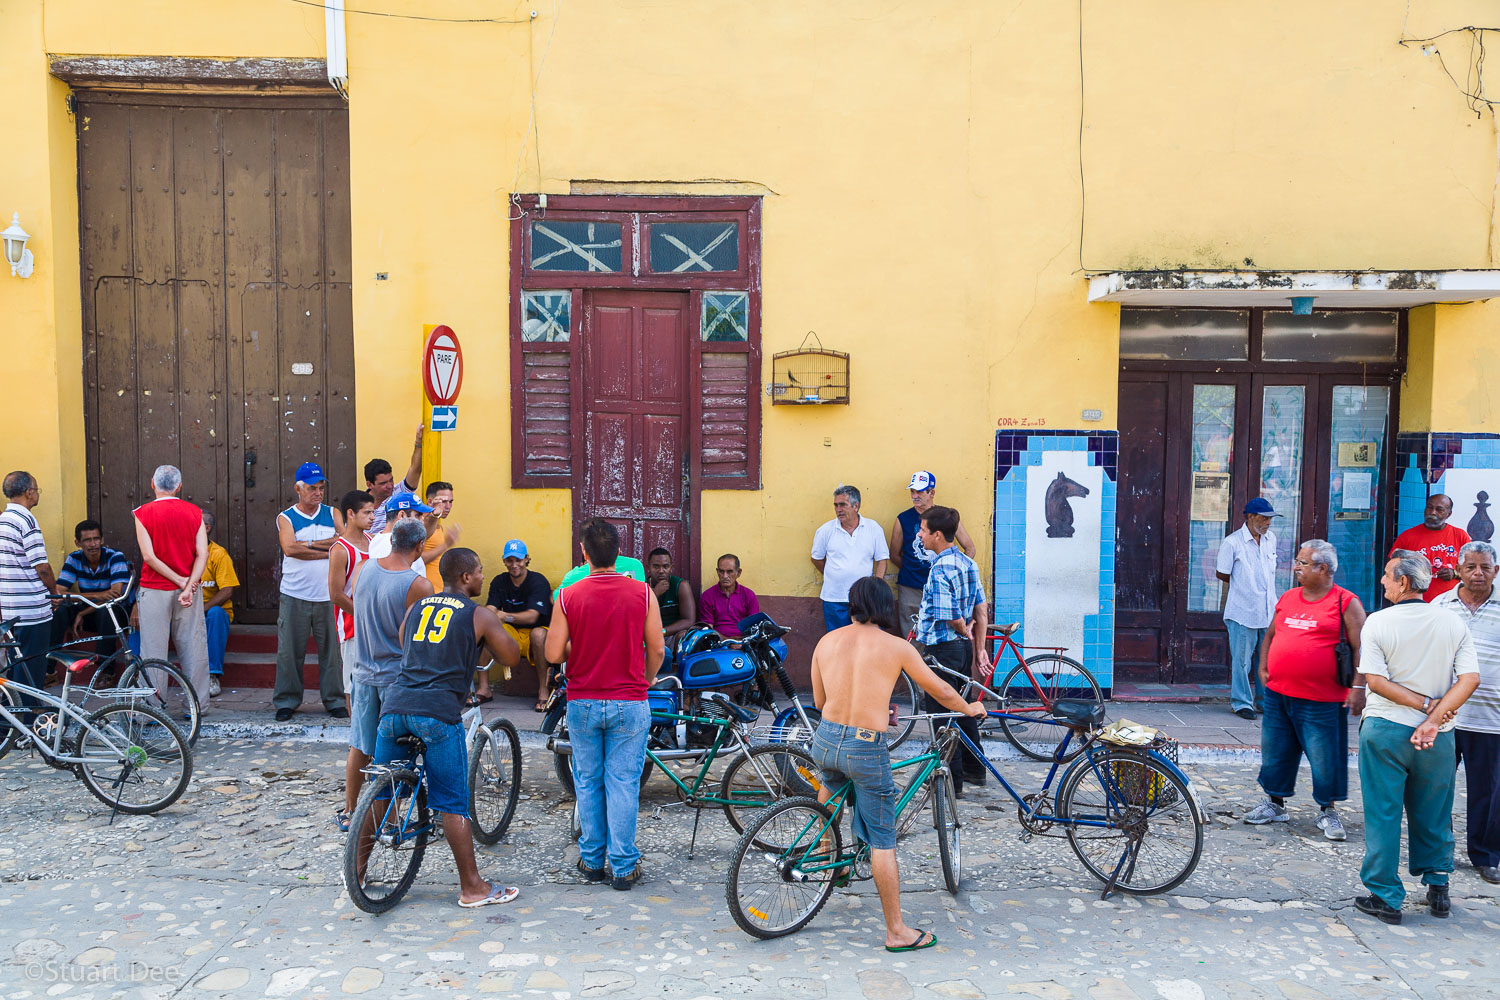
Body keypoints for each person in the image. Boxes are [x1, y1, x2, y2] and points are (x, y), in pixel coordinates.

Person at [808, 576, 986, 952]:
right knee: (882, 840)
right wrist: (969, 707)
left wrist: (871, 710)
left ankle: (829, 858)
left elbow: (822, 703)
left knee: (831, 784)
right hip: (865, 748)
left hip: (826, 738)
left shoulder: (826, 641)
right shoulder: (896, 647)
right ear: (884, 607)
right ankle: (896, 931)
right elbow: (939, 689)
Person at [365, 545, 521, 907]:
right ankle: (473, 888)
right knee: (452, 804)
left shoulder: (421, 604)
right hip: (436, 713)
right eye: (480, 571)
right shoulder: (478, 614)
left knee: (382, 792)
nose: (483, 576)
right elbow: (511, 656)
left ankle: (356, 873)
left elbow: (405, 639)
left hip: (395, 706)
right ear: (466, 577)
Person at [1353, 550, 1481, 925]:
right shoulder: (1452, 622)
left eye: (1388, 576)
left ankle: (1386, 896)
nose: (1383, 582)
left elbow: (1375, 681)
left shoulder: (1378, 622)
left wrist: (1425, 706)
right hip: (1438, 735)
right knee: (1435, 809)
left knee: (1383, 812)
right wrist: (1436, 715)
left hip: (1386, 729)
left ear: (1404, 582)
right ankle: (1438, 884)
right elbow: (1470, 679)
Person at [545, 518, 665, 891]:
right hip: (629, 701)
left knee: (588, 781)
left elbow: (552, 652)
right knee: (624, 783)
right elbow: (658, 648)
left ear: (584, 554)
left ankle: (593, 860)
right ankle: (624, 865)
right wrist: (645, 677)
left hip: (582, 701)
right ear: (618, 553)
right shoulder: (643, 593)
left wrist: (579, 645)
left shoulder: (569, 595)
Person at [1242, 540, 1365, 840]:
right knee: (1276, 752)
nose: (1295, 566)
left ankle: (1328, 811)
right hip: (1279, 693)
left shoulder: (1345, 602)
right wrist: (1262, 667)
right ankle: (1275, 803)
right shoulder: (1289, 597)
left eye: (1302, 562)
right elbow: (1271, 633)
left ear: (1322, 568)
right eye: (1297, 561)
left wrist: (1359, 687)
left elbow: (1362, 646)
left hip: (1323, 699)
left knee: (1326, 757)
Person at [341, 517, 431, 831]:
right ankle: (389, 819)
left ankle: (351, 810)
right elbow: (418, 638)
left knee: (359, 745)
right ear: (419, 546)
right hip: (397, 679)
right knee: (392, 752)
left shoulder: (365, 569)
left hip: (363, 672)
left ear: (392, 541)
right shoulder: (418, 584)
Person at [1432, 540, 1500, 884]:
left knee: (1488, 792)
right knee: (1437, 787)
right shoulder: (1440, 605)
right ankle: (1436, 853)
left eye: (1485, 567)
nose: (1477, 573)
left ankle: (1486, 855)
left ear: (1496, 572)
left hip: (1491, 719)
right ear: (1458, 570)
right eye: (1470, 567)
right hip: (1446, 716)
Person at [914, 505, 990, 795]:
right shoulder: (968, 563)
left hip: (943, 649)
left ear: (936, 535)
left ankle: (950, 782)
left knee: (942, 714)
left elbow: (952, 616)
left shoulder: (941, 567)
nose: (920, 535)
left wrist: (962, 629)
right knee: (964, 708)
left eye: (923, 530)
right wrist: (978, 647)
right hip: (961, 651)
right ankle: (974, 770)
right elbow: (981, 611)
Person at [133, 465, 211, 715]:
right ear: (179, 486)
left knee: (153, 651)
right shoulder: (194, 512)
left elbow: (149, 557)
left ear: (153, 484)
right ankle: (197, 705)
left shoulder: (142, 513)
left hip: (154, 589)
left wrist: (179, 582)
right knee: (193, 647)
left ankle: (153, 709)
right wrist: (188, 586)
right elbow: (203, 553)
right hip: (189, 590)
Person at [272, 461, 346, 722]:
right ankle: (286, 701)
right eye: (312, 488)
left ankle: (335, 700)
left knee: (332, 652)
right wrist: (325, 547)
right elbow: (290, 549)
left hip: (329, 594)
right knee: (289, 651)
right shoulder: (286, 517)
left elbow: (343, 542)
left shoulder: (333, 512)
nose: (318, 493)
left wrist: (309, 544)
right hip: (295, 594)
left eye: (321, 488)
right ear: (298, 488)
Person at [1215, 497, 1281, 720]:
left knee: (1267, 660)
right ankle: (1241, 702)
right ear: (1250, 517)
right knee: (1242, 662)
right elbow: (1222, 573)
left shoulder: (1270, 539)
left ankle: (1264, 701)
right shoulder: (1232, 542)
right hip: (1242, 611)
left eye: (1270, 519)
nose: (1268, 523)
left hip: (1268, 611)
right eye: (1264, 518)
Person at [0, 472, 57, 720]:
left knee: (15, 668)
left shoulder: (3, 520)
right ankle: (30, 721)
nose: (36, 493)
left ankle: (10, 722)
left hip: (11, 608)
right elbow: (42, 567)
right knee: (32, 668)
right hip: (32, 609)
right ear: (27, 492)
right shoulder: (27, 521)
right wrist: (54, 593)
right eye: (36, 489)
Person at [890, 472, 976, 634]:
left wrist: (953, 572)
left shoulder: (946, 517)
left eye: (920, 492)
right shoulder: (903, 519)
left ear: (932, 493)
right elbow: (894, 554)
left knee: (942, 639)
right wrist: (912, 569)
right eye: (912, 492)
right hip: (911, 588)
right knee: (912, 639)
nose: (915, 496)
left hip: (942, 587)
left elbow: (970, 548)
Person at [478, 539, 553, 710]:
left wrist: (504, 615)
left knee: (538, 634)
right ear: (504, 561)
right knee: (485, 629)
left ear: (527, 559)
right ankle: (484, 688)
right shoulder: (499, 581)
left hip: (538, 632)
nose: (514, 565)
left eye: (518, 560)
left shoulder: (537, 581)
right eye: (510, 560)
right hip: (512, 634)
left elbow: (532, 617)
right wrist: (491, 615)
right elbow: (490, 610)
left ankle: (543, 689)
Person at [811, 485, 889, 632]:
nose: (838, 509)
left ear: (856, 506)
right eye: (836, 505)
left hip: (865, 599)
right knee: (838, 641)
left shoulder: (873, 528)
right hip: (834, 599)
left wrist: (875, 588)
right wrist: (833, 574)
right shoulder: (825, 531)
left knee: (867, 641)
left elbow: (882, 561)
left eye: (843, 505)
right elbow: (816, 559)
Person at [50, 519, 131, 658]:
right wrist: (98, 595)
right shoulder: (74, 558)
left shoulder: (115, 557)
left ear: (102, 540)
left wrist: (83, 613)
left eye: (96, 539)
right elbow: (59, 592)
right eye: (87, 540)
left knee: (106, 611)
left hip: (112, 613)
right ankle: (49, 670)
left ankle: (107, 672)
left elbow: (115, 595)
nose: (93, 544)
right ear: (78, 543)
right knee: (59, 611)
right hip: (89, 609)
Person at [328, 490, 375, 711]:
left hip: (375, 625)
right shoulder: (340, 550)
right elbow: (336, 594)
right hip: (352, 627)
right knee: (353, 685)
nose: (373, 517)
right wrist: (364, 615)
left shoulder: (373, 541)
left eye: (373, 512)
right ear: (351, 514)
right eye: (367, 512)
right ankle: (355, 739)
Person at [1391, 494, 1470, 602]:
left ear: (1448, 514)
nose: (1433, 512)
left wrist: (1454, 573)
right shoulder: (1407, 537)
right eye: (1429, 507)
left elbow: (1472, 570)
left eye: (1439, 510)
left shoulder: (1460, 536)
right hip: (1415, 604)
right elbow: (1391, 570)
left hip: (1450, 604)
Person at [200, 511, 240, 698]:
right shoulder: (181, 551)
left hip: (209, 612)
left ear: (206, 528)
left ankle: (212, 675)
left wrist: (202, 610)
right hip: (184, 611)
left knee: (216, 614)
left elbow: (227, 590)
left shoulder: (218, 554)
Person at [365, 424, 425, 534]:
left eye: (391, 480)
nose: (390, 485)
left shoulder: (399, 493)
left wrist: (419, 442)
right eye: (383, 483)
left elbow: (415, 469)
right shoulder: (359, 503)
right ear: (369, 484)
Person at [697, 554, 759, 638]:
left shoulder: (749, 595)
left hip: (744, 642)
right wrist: (727, 641)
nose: (725, 576)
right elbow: (708, 629)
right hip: (717, 642)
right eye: (721, 571)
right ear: (717, 571)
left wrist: (741, 642)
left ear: (738, 573)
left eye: (729, 571)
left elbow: (754, 627)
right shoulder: (708, 596)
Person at [646, 547, 696, 645]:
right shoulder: (642, 585)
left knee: (684, 637)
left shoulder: (680, 585)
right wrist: (655, 594)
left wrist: (662, 632)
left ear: (671, 568)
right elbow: (635, 616)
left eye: (665, 566)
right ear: (648, 568)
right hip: (647, 635)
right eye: (656, 566)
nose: (661, 571)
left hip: (672, 634)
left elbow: (689, 620)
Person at [367, 494, 433, 566]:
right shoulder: (399, 546)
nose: (422, 521)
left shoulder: (377, 540)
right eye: (417, 515)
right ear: (402, 515)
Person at [420, 481, 461, 592]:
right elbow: (415, 559)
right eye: (443, 501)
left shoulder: (438, 526)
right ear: (430, 501)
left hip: (438, 592)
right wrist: (445, 545)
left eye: (450, 502)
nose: (448, 506)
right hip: (425, 593)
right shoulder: (422, 523)